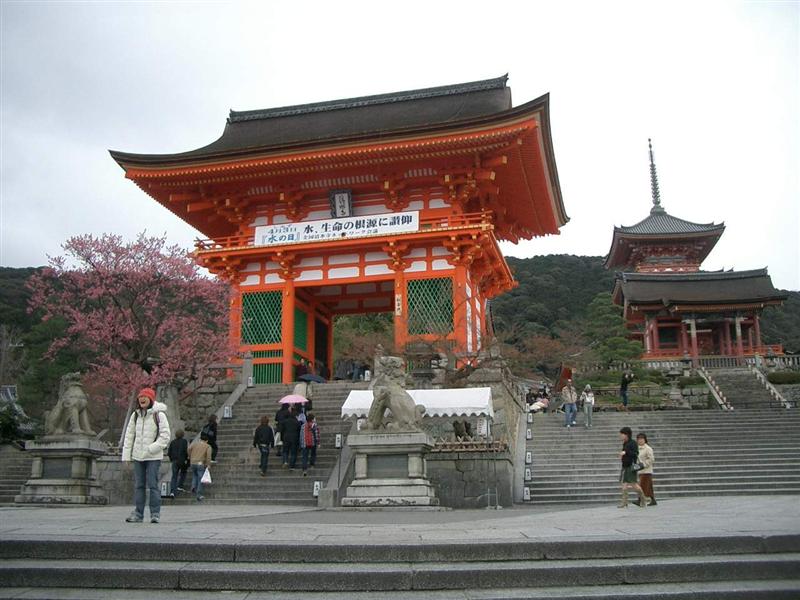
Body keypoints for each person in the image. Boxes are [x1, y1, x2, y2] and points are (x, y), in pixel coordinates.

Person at [122, 387, 171, 523]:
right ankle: (138, 513)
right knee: (139, 485)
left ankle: (155, 513)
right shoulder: (135, 415)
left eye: (145, 397)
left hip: (153, 456)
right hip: (138, 456)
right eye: (140, 397)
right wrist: (126, 456)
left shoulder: (159, 415)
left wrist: (151, 449)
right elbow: (129, 436)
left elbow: (165, 436)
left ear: (151, 399)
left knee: (153, 484)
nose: (142, 399)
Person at [618, 426, 647, 508]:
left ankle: (643, 499)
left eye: (622, 434)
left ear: (626, 434)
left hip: (631, 466)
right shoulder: (625, 443)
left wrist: (625, 452)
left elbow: (635, 454)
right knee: (624, 485)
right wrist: (622, 456)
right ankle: (624, 502)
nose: (620, 436)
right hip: (625, 466)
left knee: (634, 484)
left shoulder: (633, 443)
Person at [188, 432, 212, 501]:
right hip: (200, 463)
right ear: (207, 440)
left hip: (192, 462)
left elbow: (189, 449)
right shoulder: (207, 446)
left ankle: (193, 486)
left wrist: (190, 456)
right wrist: (208, 464)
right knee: (200, 478)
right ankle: (199, 494)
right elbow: (208, 456)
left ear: (200, 439)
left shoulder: (195, 444)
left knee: (194, 475)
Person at [636, 432, 657, 506]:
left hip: (646, 470)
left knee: (642, 486)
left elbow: (651, 459)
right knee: (648, 487)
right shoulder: (637, 448)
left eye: (642, 439)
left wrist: (643, 464)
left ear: (645, 440)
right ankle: (653, 500)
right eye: (639, 439)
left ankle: (639, 500)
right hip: (640, 470)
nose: (640, 440)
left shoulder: (648, 448)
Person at [167, 429, 189, 496]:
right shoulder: (184, 441)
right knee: (183, 473)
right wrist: (186, 459)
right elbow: (185, 451)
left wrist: (171, 459)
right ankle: (180, 485)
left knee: (174, 476)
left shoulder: (172, 442)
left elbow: (169, 452)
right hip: (182, 460)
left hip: (174, 461)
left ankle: (172, 491)